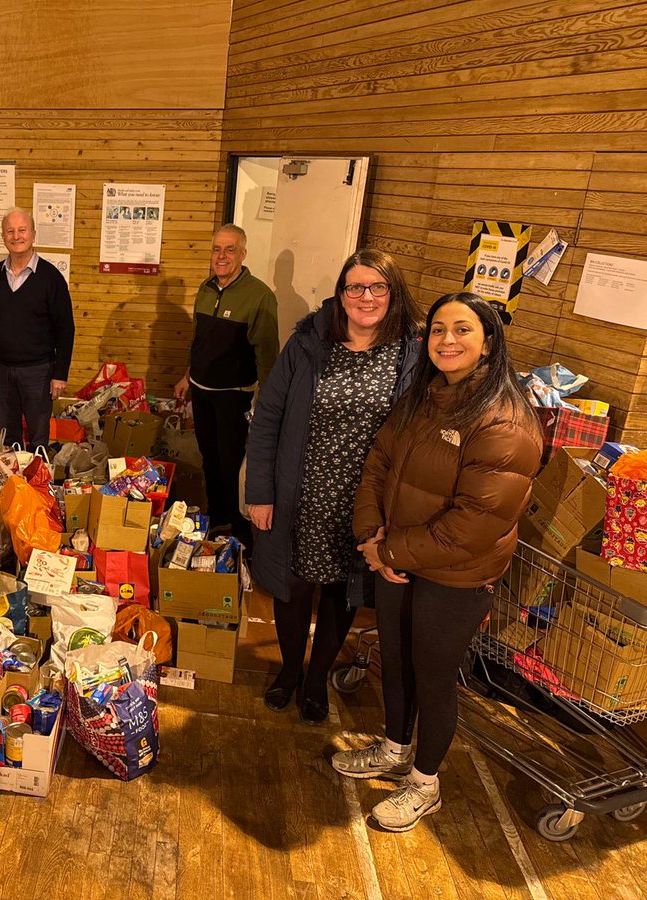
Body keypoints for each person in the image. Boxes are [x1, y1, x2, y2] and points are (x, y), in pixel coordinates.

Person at [331, 291, 542, 832]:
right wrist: (369, 535)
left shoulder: (505, 421)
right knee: (396, 660)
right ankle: (396, 748)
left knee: (433, 675)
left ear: (489, 342)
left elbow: (475, 523)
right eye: (438, 330)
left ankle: (426, 783)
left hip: (456, 576)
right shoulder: (424, 396)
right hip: (397, 557)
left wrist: (388, 550)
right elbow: (378, 461)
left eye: (463, 330)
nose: (447, 340)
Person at [245, 250, 421, 724]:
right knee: (293, 588)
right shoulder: (308, 343)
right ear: (341, 295)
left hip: (366, 501)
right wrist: (259, 493)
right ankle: (289, 671)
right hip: (300, 491)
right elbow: (268, 419)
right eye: (355, 287)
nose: (366, 297)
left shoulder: (411, 351)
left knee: (345, 591)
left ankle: (318, 676)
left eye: (377, 287)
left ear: (392, 292)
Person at [174, 224, 278, 543]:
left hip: (235, 398)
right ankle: (217, 519)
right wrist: (188, 376)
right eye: (217, 249)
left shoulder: (259, 296)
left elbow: (267, 355)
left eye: (229, 249)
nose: (221, 256)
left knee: (232, 464)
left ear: (243, 254)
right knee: (209, 457)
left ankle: (239, 531)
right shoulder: (206, 289)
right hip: (202, 393)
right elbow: (199, 342)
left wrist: (268, 401)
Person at [0, 208, 74, 451]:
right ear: (3, 237)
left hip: (38, 371)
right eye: (10, 231)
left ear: (33, 234)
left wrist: (60, 373)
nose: (16, 236)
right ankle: (11, 484)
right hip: (1, 368)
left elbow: (66, 328)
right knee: (7, 434)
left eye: (22, 230)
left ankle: (37, 484)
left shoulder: (51, 278)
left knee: (38, 435)